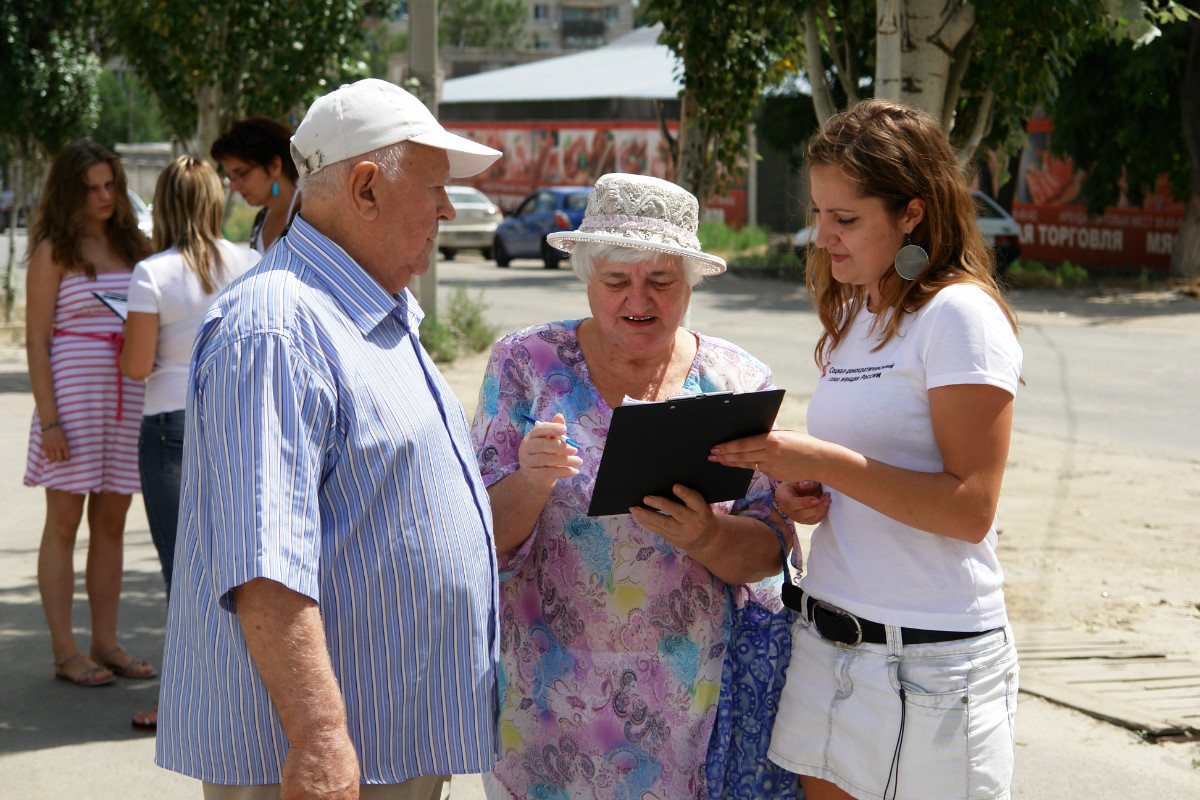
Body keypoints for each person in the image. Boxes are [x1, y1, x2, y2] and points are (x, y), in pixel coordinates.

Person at [155, 78, 503, 800]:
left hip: (382, 742)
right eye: (435, 188)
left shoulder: (363, 309)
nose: (446, 209)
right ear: (368, 187)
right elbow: (263, 562)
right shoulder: (278, 326)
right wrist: (318, 738)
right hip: (326, 757)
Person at [469, 173, 822, 800]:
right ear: (587, 278)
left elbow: (770, 549)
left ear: (688, 284)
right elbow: (480, 537)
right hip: (547, 702)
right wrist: (530, 479)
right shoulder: (527, 363)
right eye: (617, 281)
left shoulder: (733, 378)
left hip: (686, 709)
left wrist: (708, 534)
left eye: (662, 280)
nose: (640, 298)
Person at [712, 99, 1024, 800]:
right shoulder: (857, 313)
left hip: (930, 659)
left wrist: (824, 462)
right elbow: (871, 475)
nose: (822, 236)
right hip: (830, 642)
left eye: (845, 218)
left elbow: (971, 508)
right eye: (819, 213)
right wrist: (809, 492)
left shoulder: (960, 315)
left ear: (912, 213)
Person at [119, 155, 261, 731]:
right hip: (236, 420)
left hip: (169, 424)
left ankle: (181, 702)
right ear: (215, 202)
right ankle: (244, 693)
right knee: (240, 565)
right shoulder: (252, 261)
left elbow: (135, 366)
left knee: (181, 573)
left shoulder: (151, 273)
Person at [24, 139, 156, 687]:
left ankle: (106, 642)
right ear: (69, 192)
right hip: (71, 407)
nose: (104, 195)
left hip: (127, 401)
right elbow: (35, 341)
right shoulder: (54, 249)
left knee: (111, 525)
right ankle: (63, 650)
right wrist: (49, 419)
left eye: (110, 184)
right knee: (62, 524)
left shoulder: (137, 246)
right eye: (92, 187)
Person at [210, 115, 301, 253]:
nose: (234, 186)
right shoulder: (261, 219)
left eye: (241, 173)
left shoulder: (309, 218)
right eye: (230, 177)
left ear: (274, 166)